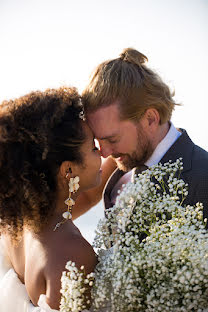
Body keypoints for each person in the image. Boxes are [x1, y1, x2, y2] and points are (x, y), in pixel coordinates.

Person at [0, 87, 116, 311]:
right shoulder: (71, 253)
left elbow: (90, 194)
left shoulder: (20, 224)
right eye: (93, 147)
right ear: (68, 171)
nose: (102, 152)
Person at [81, 47, 208, 222]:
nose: (104, 153)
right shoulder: (117, 165)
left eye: (112, 139)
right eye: (97, 140)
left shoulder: (203, 178)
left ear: (150, 119)